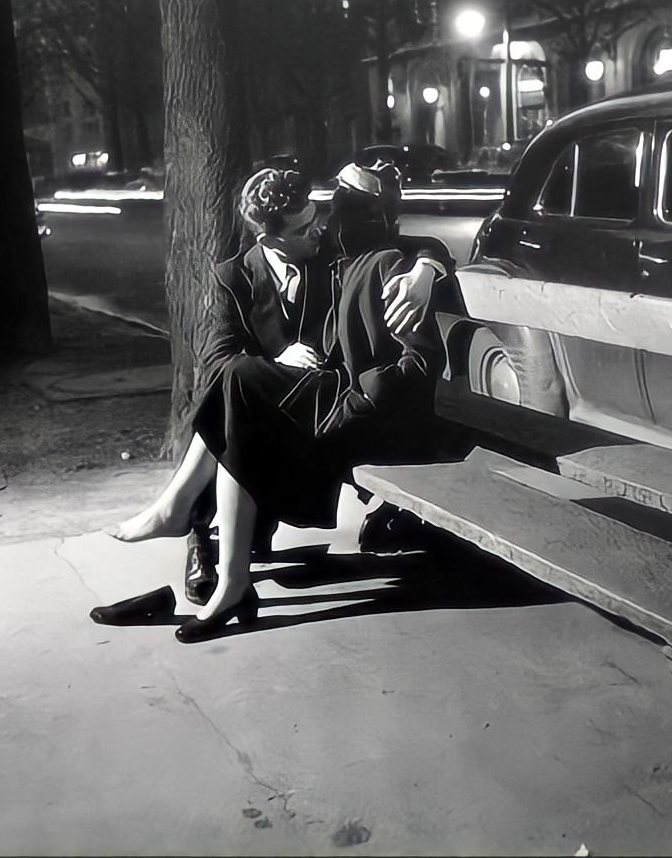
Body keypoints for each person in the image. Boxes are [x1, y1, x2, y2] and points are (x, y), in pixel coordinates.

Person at [93, 162, 451, 641]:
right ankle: (214, 553)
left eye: (319, 216)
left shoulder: (335, 251)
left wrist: (427, 269)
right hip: (280, 412)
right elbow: (214, 362)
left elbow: (413, 248)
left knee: (242, 387)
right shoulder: (233, 277)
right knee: (237, 382)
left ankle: (187, 522)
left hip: (332, 408)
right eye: (305, 227)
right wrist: (278, 360)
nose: (320, 229)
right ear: (270, 238)